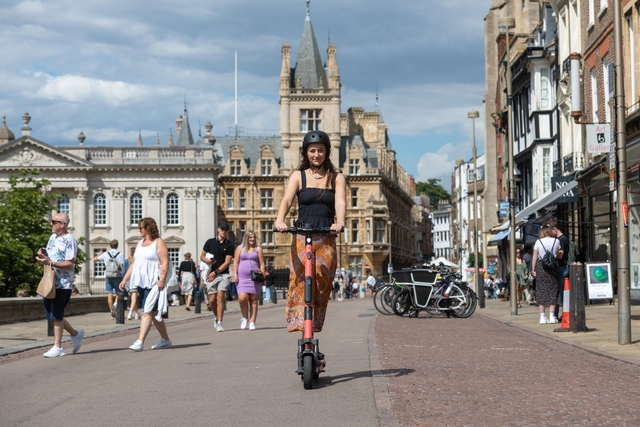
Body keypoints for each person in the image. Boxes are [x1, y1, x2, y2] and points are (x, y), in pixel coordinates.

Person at [275, 130, 346, 351]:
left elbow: (341, 202)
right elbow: (287, 199)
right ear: (306, 152)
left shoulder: (337, 177)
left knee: (322, 279)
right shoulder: (299, 175)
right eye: (313, 150)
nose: (317, 154)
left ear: (327, 152)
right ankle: (302, 324)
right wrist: (280, 219)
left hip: (326, 234)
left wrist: (340, 222)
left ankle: (314, 319)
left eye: (321, 151)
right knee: (300, 280)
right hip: (302, 234)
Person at [119, 217, 172, 351]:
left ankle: (140, 341)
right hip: (141, 281)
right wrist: (125, 279)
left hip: (154, 281)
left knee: (146, 311)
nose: (139, 230)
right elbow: (134, 263)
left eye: (141, 228)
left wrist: (161, 279)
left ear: (148, 228)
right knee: (153, 312)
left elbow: (165, 261)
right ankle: (165, 339)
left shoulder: (159, 242)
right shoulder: (140, 243)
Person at [35, 213, 84, 357]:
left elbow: (69, 264)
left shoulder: (70, 241)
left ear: (62, 224)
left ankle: (58, 347)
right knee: (54, 315)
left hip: (63, 284)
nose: (51, 224)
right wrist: (44, 256)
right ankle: (76, 334)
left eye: (53, 221)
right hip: (49, 281)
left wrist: (50, 263)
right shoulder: (52, 238)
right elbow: (51, 257)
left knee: (56, 315)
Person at [201, 222, 234, 332]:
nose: (224, 231)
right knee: (212, 299)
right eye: (222, 229)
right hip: (210, 274)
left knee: (220, 297)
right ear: (218, 229)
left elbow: (227, 262)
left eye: (226, 229)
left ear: (227, 231)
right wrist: (207, 261)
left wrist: (215, 272)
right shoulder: (210, 242)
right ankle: (215, 316)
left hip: (223, 274)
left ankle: (220, 322)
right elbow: (202, 256)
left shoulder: (229, 245)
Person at [233, 231, 266, 330]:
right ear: (246, 238)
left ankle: (252, 322)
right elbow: (235, 262)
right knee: (242, 298)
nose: (252, 239)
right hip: (242, 278)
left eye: (254, 237)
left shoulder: (258, 249)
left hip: (255, 278)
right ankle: (244, 318)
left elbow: (262, 264)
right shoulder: (240, 248)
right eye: (250, 237)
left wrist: (263, 276)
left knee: (254, 300)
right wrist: (235, 274)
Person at [532, 222, 563, 325]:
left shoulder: (538, 242)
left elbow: (534, 258)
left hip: (541, 268)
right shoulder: (556, 241)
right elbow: (559, 256)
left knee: (541, 291)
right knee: (553, 291)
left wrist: (534, 270)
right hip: (553, 267)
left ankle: (542, 317)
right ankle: (552, 316)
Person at [93, 239, 125, 318]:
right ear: (117, 246)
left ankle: (111, 312)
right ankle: (115, 304)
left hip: (107, 275)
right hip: (117, 275)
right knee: (119, 292)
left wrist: (99, 254)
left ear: (110, 246)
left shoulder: (105, 254)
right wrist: (122, 275)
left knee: (109, 293)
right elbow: (121, 266)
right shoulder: (120, 254)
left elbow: (94, 259)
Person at [550, 220, 570, 321]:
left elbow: (561, 254)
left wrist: (553, 254)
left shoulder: (562, 239)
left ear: (555, 229)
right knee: (558, 292)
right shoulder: (559, 239)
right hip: (560, 267)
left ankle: (564, 314)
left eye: (551, 231)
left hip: (562, 267)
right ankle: (556, 314)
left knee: (561, 292)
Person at [123, 247, 140, 320]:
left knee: (133, 298)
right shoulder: (137, 261)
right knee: (134, 298)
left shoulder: (127, 261)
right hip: (135, 280)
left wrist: (124, 280)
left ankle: (136, 313)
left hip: (128, 281)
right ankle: (130, 313)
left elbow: (124, 272)